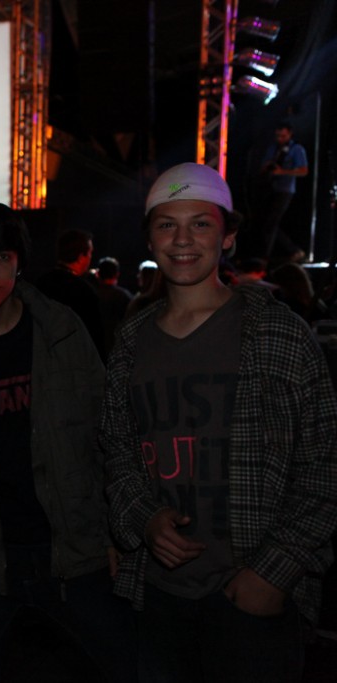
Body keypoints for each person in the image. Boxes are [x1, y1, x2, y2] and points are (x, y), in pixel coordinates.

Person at [100, 162, 337, 681]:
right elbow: (117, 451)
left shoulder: (280, 335)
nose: (183, 239)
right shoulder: (130, 341)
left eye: (201, 224)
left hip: (253, 595)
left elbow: (324, 466)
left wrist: (272, 573)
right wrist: (145, 519)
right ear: (149, 238)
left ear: (228, 236)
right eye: (167, 224)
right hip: (159, 596)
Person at [0, 202, 135, 682]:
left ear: (19, 261)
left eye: (2, 257)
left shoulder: (62, 331)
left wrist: (117, 534)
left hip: (76, 551)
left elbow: (108, 435)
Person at [36, 228, 106, 360]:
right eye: (90, 253)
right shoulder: (84, 292)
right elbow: (95, 338)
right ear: (80, 257)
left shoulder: (39, 284)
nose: (90, 258)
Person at [254, 122, 308, 262]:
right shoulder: (273, 148)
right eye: (278, 136)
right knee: (266, 222)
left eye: (283, 136)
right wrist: (267, 167)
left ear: (290, 134)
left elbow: (303, 171)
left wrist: (282, 171)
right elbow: (263, 167)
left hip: (285, 189)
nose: (280, 139)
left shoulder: (296, 149)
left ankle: (266, 257)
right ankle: (291, 251)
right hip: (269, 188)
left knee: (271, 222)